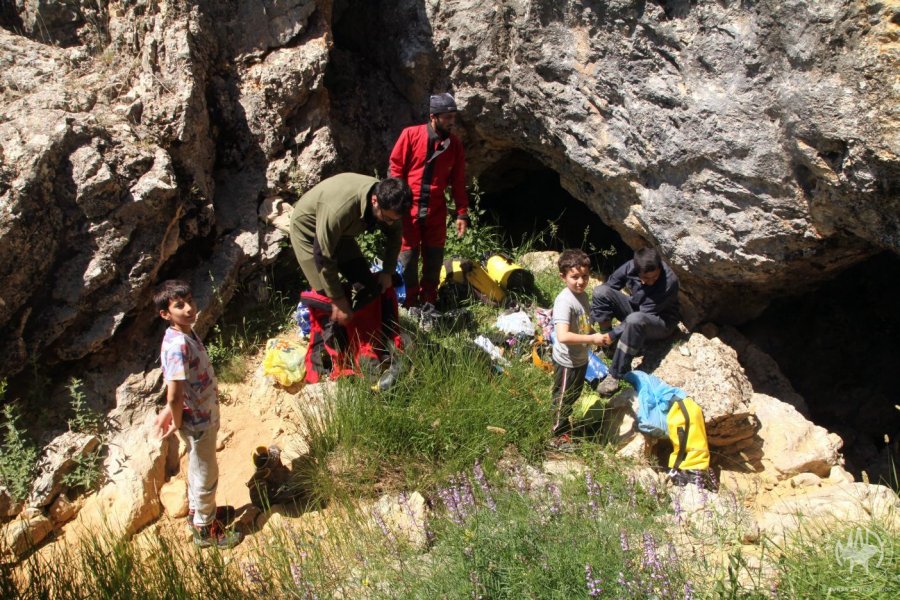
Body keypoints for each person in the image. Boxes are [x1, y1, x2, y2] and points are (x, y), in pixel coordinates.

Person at [153, 279, 242, 548]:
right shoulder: (178, 346)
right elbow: (174, 393)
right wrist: (176, 418)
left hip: (201, 413)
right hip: (197, 421)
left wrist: (173, 412)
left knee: (197, 467)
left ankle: (197, 514)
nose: (189, 308)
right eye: (180, 306)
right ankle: (205, 529)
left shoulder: (185, 333)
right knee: (206, 474)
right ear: (165, 314)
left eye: (190, 301)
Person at [289, 174, 413, 324]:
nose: (390, 223)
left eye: (394, 220)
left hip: (341, 234)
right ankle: (327, 343)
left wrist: (387, 271)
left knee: (368, 287)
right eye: (387, 219)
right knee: (326, 299)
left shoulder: (391, 203)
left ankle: (358, 331)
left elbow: (395, 235)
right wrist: (338, 299)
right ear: (374, 201)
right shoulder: (339, 211)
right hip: (308, 232)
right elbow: (322, 254)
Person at [389, 93, 469, 307]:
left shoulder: (455, 146)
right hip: (409, 209)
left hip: (436, 210)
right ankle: (409, 301)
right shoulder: (410, 135)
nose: (452, 121)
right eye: (447, 117)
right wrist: (397, 203)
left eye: (454, 116)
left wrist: (462, 212)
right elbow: (395, 168)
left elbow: (458, 181)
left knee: (434, 257)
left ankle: (429, 300)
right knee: (408, 257)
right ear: (433, 116)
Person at [591, 247, 680, 395]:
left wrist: (614, 334)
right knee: (600, 292)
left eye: (655, 277)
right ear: (637, 270)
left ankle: (616, 374)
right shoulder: (630, 267)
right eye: (646, 278)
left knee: (634, 320)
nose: (651, 282)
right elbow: (609, 286)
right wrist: (594, 314)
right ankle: (609, 346)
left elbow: (643, 314)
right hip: (636, 310)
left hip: (660, 321)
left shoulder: (669, 282)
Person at [550, 249, 607, 443]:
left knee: (573, 394)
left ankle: (562, 425)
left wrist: (593, 335)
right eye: (574, 277)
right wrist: (592, 340)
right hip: (567, 361)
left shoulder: (581, 295)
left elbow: (584, 324)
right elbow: (563, 335)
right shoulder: (565, 301)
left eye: (585, 276)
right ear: (562, 277)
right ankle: (556, 434)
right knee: (562, 399)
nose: (580, 281)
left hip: (580, 358)